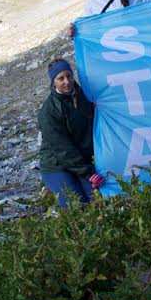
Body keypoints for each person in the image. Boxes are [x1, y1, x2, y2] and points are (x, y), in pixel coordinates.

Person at [38, 59, 105, 207]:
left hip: (82, 159)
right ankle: (50, 192)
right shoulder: (49, 112)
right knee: (77, 205)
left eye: (68, 75)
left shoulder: (85, 95)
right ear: (53, 82)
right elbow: (62, 149)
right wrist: (88, 173)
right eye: (60, 78)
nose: (66, 81)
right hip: (56, 165)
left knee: (99, 201)